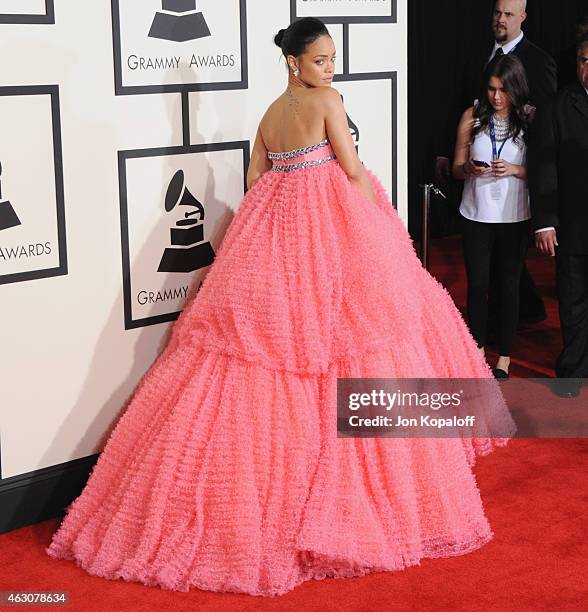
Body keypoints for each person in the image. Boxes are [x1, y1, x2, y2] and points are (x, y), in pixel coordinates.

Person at [45, 18, 514, 597]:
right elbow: (350, 168)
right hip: (331, 232)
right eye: (321, 60)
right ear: (296, 63)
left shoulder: (270, 114)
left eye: (333, 59)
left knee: (276, 353)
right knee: (351, 342)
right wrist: (377, 230)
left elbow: (256, 179)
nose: (330, 69)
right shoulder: (327, 102)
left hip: (275, 236)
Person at [435, 0, 556, 327]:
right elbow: (459, 102)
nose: (500, 20)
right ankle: (496, 324)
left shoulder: (540, 61)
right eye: (496, 13)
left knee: (508, 269)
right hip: (476, 185)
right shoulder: (477, 53)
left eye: (508, 15)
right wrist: (448, 153)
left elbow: (546, 125)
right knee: (486, 272)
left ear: (523, 18)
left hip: (516, 185)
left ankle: (512, 325)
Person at [452, 55, 532, 379]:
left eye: (503, 90)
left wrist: (514, 169)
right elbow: (457, 168)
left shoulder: (529, 119)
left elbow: (542, 170)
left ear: (516, 89)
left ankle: (505, 358)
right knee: (479, 284)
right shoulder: (472, 117)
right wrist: (467, 169)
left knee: (509, 286)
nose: (496, 97)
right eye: (491, 88)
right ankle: (478, 349)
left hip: (514, 216)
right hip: (476, 214)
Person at [529, 34, 588, 398]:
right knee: (574, 301)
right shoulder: (558, 106)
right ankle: (573, 371)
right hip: (575, 225)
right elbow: (544, 168)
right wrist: (545, 221)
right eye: (585, 60)